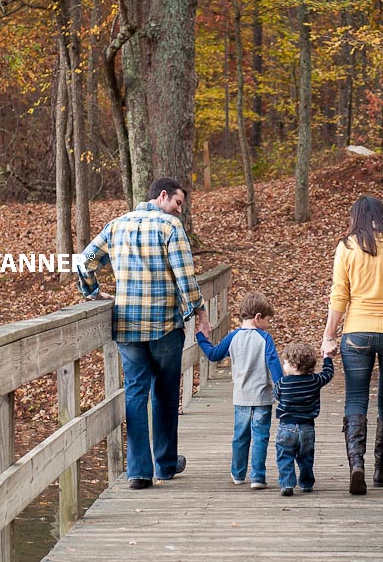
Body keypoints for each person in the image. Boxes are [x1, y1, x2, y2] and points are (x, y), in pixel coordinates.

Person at [77, 177, 212, 490]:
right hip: (164, 326)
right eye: (177, 203)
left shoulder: (116, 225)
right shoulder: (169, 228)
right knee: (165, 392)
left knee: (136, 392)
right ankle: (165, 465)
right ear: (162, 196)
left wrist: (93, 292)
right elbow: (185, 276)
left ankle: (138, 471)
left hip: (127, 328)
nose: (179, 210)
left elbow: (85, 262)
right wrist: (200, 313)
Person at [320, 195, 383, 495]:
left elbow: (340, 295)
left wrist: (329, 335)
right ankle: (382, 471)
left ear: (355, 217)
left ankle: (356, 466)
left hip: (358, 332)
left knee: (355, 399)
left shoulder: (347, 247)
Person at [196, 292, 282, 489]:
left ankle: (238, 473)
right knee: (260, 436)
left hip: (241, 397)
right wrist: (283, 391)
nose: (268, 325)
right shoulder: (265, 338)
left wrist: (201, 337)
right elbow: (274, 366)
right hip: (262, 397)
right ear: (258, 317)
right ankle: (258, 477)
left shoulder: (232, 337)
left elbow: (213, 354)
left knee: (240, 436)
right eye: (267, 320)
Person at [273, 343, 334, 497]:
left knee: (285, 456)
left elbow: (277, 395)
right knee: (306, 457)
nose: (284, 365)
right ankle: (306, 483)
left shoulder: (283, 383)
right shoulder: (315, 380)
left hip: (286, 427)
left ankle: (287, 484)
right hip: (307, 428)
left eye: (286, 362)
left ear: (294, 365)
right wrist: (327, 357)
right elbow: (328, 373)